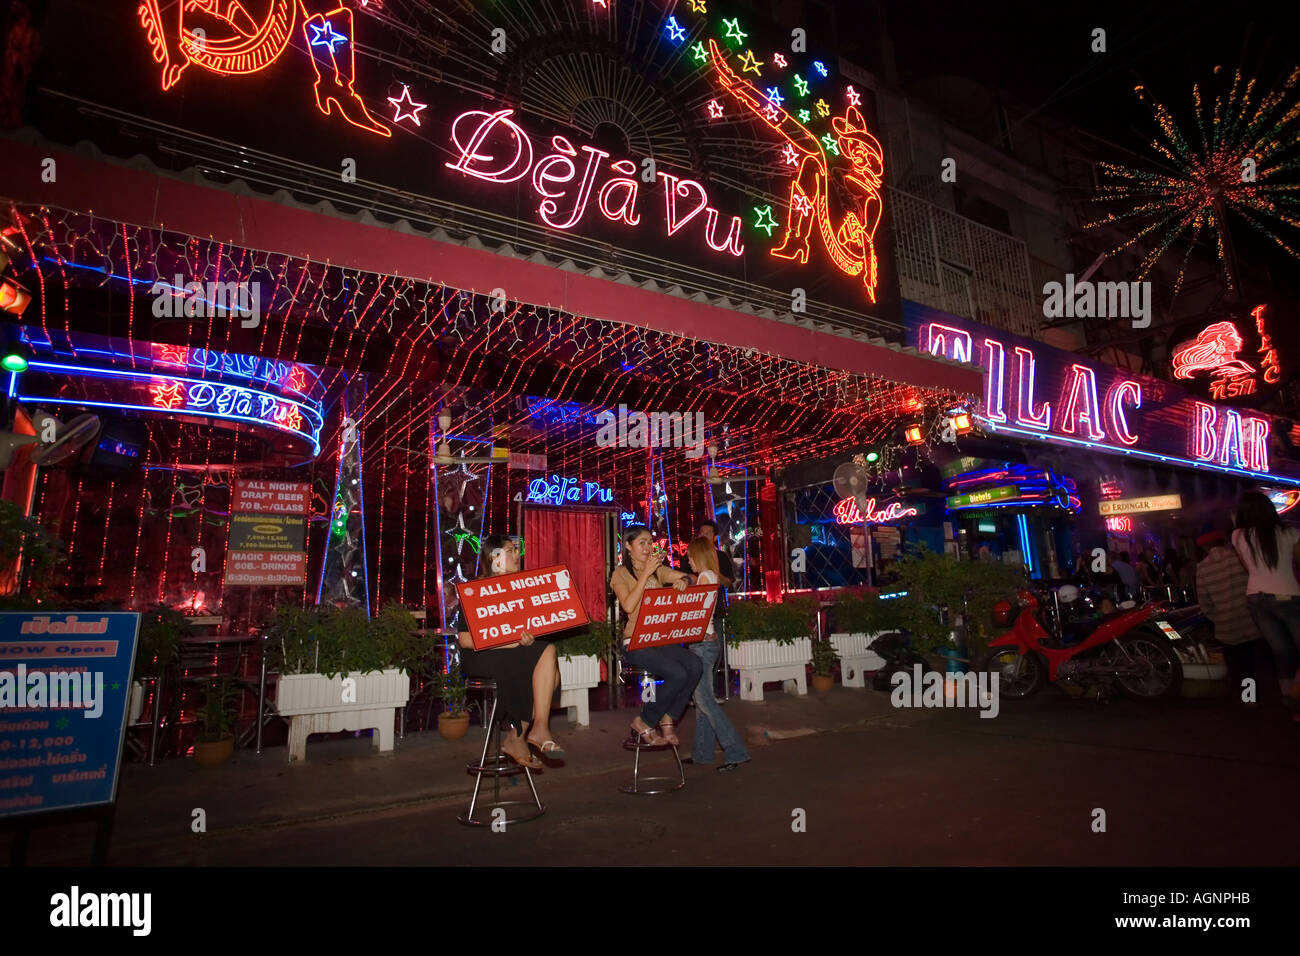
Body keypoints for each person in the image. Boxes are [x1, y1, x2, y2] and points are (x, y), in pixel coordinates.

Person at [455, 535, 564, 769]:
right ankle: (523, 734)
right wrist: (511, 642)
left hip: (512, 653)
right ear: (494, 557)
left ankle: (531, 731)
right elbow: (465, 639)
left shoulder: (523, 589)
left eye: (517, 550)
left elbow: (527, 632)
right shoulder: (476, 589)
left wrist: (526, 638)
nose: (517, 555)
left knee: (548, 652)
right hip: (482, 656)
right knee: (547, 667)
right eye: (509, 550)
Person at [609, 525, 703, 747]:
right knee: (677, 674)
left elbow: (693, 577)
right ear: (629, 547)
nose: (647, 547)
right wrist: (645, 575)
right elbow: (629, 606)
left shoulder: (659, 569)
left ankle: (669, 715)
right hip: (634, 642)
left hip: (659, 638)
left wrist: (685, 581)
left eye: (649, 542)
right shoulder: (620, 574)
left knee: (695, 665)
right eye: (641, 542)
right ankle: (645, 720)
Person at [683, 537, 751, 772]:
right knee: (703, 700)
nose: (688, 560)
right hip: (705, 642)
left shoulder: (705, 577)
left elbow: (699, 612)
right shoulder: (710, 576)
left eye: (690, 556)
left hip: (702, 643)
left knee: (705, 701)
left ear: (698, 556)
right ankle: (702, 753)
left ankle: (736, 751)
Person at [1232, 491, 1300, 717]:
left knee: (1282, 653)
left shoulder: (1239, 536)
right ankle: (1294, 695)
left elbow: (1247, 567)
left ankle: (1293, 705)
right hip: (1288, 595)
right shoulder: (1289, 533)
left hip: (1256, 598)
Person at [1194, 530, 1261, 703]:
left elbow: (1204, 602)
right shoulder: (1238, 558)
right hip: (1248, 619)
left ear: (1204, 547)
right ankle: (1250, 696)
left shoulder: (1202, 568)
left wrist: (1218, 617)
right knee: (1249, 662)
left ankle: (1243, 695)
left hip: (1224, 624)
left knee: (1234, 662)